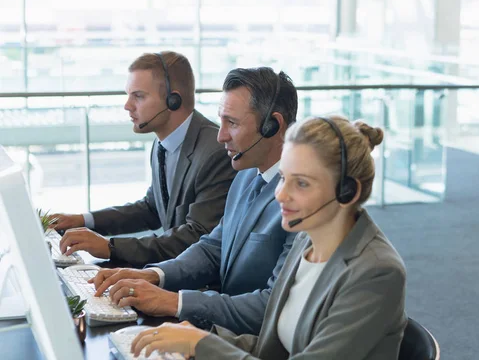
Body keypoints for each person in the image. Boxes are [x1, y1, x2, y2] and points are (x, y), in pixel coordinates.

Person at [127, 115, 408, 360]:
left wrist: (204, 345)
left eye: (301, 183)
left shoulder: (375, 271)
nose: (280, 194)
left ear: (347, 192)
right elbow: (274, 348)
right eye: (284, 178)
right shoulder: (306, 242)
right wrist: (195, 338)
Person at [89, 67, 299, 335]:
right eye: (221, 121)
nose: (220, 135)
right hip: (218, 332)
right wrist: (153, 275)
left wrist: (173, 302)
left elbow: (271, 305)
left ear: (273, 126)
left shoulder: (299, 199)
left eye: (232, 123)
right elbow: (214, 247)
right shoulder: (246, 175)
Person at [49, 51, 236, 267]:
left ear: (173, 101)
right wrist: (83, 220)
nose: (127, 105)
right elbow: (152, 209)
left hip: (193, 279)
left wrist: (110, 247)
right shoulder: (162, 144)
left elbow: (196, 237)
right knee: (78, 275)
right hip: (170, 264)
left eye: (138, 96)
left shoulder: (215, 152)